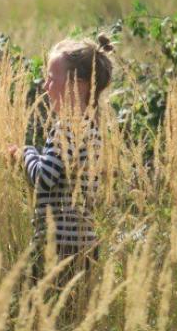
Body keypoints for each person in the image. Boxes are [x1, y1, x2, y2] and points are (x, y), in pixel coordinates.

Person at [9, 34, 114, 287]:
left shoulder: (70, 127)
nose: (45, 86)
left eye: (51, 79)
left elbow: (44, 177)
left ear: (77, 85)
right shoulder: (89, 126)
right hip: (80, 246)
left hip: (60, 248)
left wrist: (26, 153)